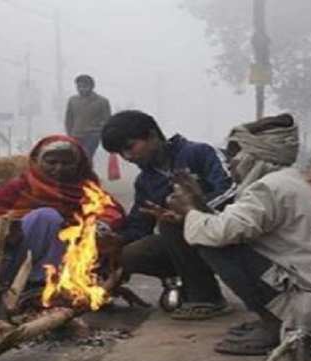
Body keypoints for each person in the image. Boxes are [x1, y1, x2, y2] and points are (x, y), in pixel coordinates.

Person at [160, 113, 311, 355]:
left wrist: (189, 209)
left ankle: (275, 324)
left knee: (212, 243)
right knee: (211, 232)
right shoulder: (285, 181)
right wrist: (198, 202)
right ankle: (274, 318)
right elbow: (232, 223)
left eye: (235, 155)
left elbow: (220, 233)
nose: (230, 164)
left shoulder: (269, 187)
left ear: (256, 155)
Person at [100, 110, 237, 319]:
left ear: (152, 135)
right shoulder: (145, 181)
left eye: (130, 147)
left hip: (228, 232)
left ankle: (207, 298)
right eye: (121, 153)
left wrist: (192, 210)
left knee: (170, 223)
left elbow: (232, 190)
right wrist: (117, 238)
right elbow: (140, 226)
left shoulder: (199, 153)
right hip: (190, 244)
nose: (127, 157)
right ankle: (183, 282)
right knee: (131, 254)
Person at [0, 134, 124, 291]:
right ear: (37, 162)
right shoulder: (20, 187)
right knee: (47, 217)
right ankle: (36, 281)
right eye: (52, 162)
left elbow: (110, 210)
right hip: (11, 258)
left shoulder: (88, 190)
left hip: (66, 259)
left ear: (78, 165)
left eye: (66, 163)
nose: (59, 168)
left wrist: (100, 226)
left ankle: (61, 281)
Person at [65, 74, 111, 160]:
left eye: (84, 86)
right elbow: (69, 119)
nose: (81, 89)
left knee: (86, 156)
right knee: (75, 157)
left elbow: (107, 120)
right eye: (79, 86)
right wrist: (69, 134)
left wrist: (99, 131)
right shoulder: (73, 100)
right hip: (76, 135)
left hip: (92, 135)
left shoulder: (102, 101)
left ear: (91, 86)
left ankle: (86, 172)